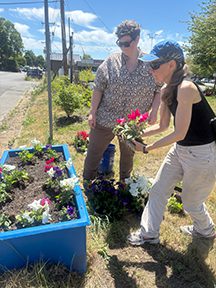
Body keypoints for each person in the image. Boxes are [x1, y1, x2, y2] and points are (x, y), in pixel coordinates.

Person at [128, 40, 216, 245]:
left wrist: (147, 148)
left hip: (202, 154)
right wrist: (134, 133)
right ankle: (149, 234)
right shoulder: (167, 88)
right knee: (158, 188)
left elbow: (180, 132)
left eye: (154, 64)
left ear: (172, 65)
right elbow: (162, 126)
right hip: (182, 149)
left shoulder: (186, 88)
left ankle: (206, 230)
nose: (151, 69)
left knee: (191, 203)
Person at [83, 20, 161, 182]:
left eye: (126, 43)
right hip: (106, 117)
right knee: (94, 152)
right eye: (120, 44)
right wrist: (92, 112)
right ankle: (87, 182)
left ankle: (125, 187)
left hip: (132, 124)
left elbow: (159, 88)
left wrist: (155, 109)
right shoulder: (111, 61)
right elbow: (98, 87)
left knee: (128, 157)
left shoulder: (151, 63)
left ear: (137, 39)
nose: (123, 48)